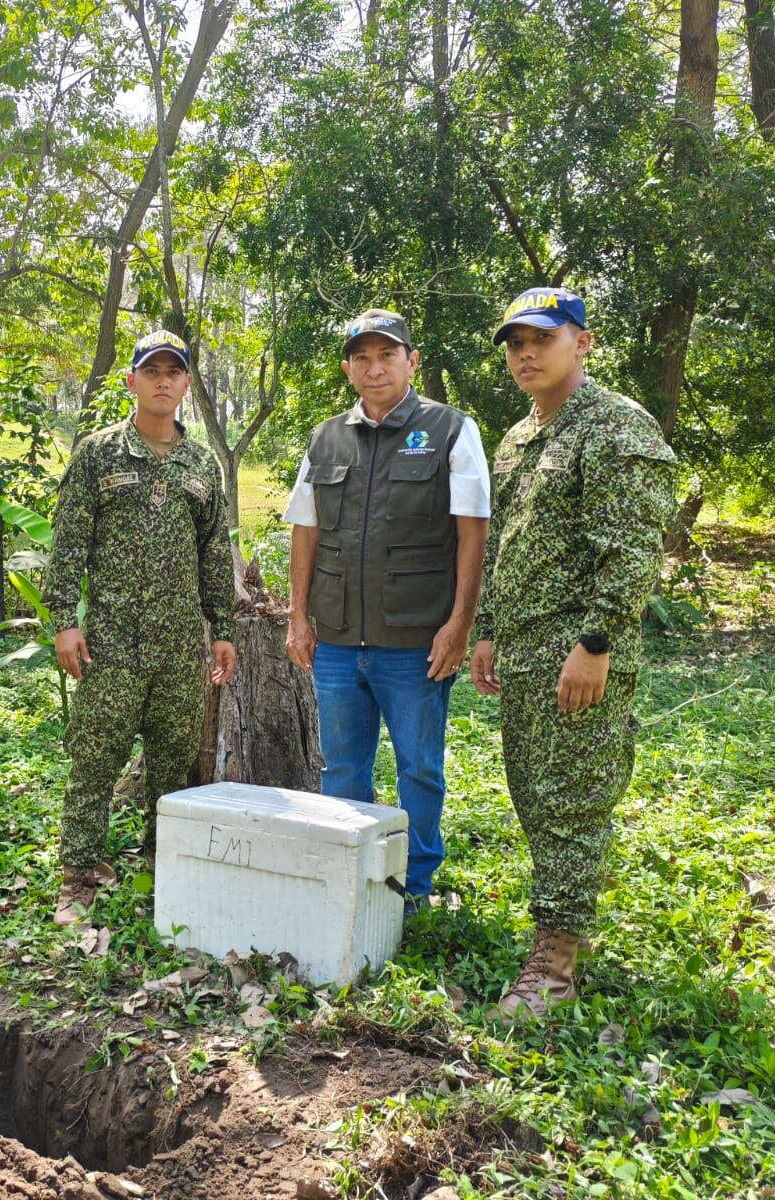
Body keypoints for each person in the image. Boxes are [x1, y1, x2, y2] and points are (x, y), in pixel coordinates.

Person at [469, 286, 676, 1019]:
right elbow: (507, 545)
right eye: (516, 342)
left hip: (578, 653)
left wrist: (596, 644)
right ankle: (562, 928)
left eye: (543, 339)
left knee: (570, 803)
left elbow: (631, 552)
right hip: (524, 652)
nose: (526, 353)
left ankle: (554, 967)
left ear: (582, 344)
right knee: (534, 795)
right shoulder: (520, 436)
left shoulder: (615, 427)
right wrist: (487, 627)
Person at [283, 309, 491, 910]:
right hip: (339, 641)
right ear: (349, 367)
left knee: (418, 770)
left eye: (388, 355)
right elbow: (306, 529)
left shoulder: (450, 430)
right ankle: (346, 879)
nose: (375, 369)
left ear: (411, 361)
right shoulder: (326, 438)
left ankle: (413, 886)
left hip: (415, 641)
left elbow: (473, 533)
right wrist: (299, 618)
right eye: (363, 358)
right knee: (341, 769)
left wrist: (459, 624)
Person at [45, 330, 237, 926]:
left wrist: (223, 627)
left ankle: (163, 862)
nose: (162, 380)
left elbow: (213, 552)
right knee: (95, 759)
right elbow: (70, 540)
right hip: (109, 645)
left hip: (181, 646)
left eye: (173, 372)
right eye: (150, 370)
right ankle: (77, 875)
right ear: (131, 381)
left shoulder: (202, 463)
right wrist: (62, 623)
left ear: (185, 384)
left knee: (172, 762)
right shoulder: (99, 454)